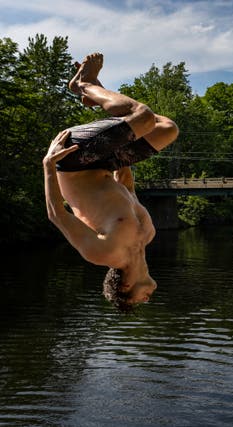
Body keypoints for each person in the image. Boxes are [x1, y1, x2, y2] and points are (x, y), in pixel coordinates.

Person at [43, 52, 179, 311]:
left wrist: (48, 164)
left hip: (73, 161)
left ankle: (83, 85)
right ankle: (97, 93)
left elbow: (57, 215)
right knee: (167, 128)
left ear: (124, 287)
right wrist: (122, 137)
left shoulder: (103, 254)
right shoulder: (147, 235)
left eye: (138, 302)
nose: (146, 300)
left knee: (144, 117)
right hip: (106, 164)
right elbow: (125, 186)